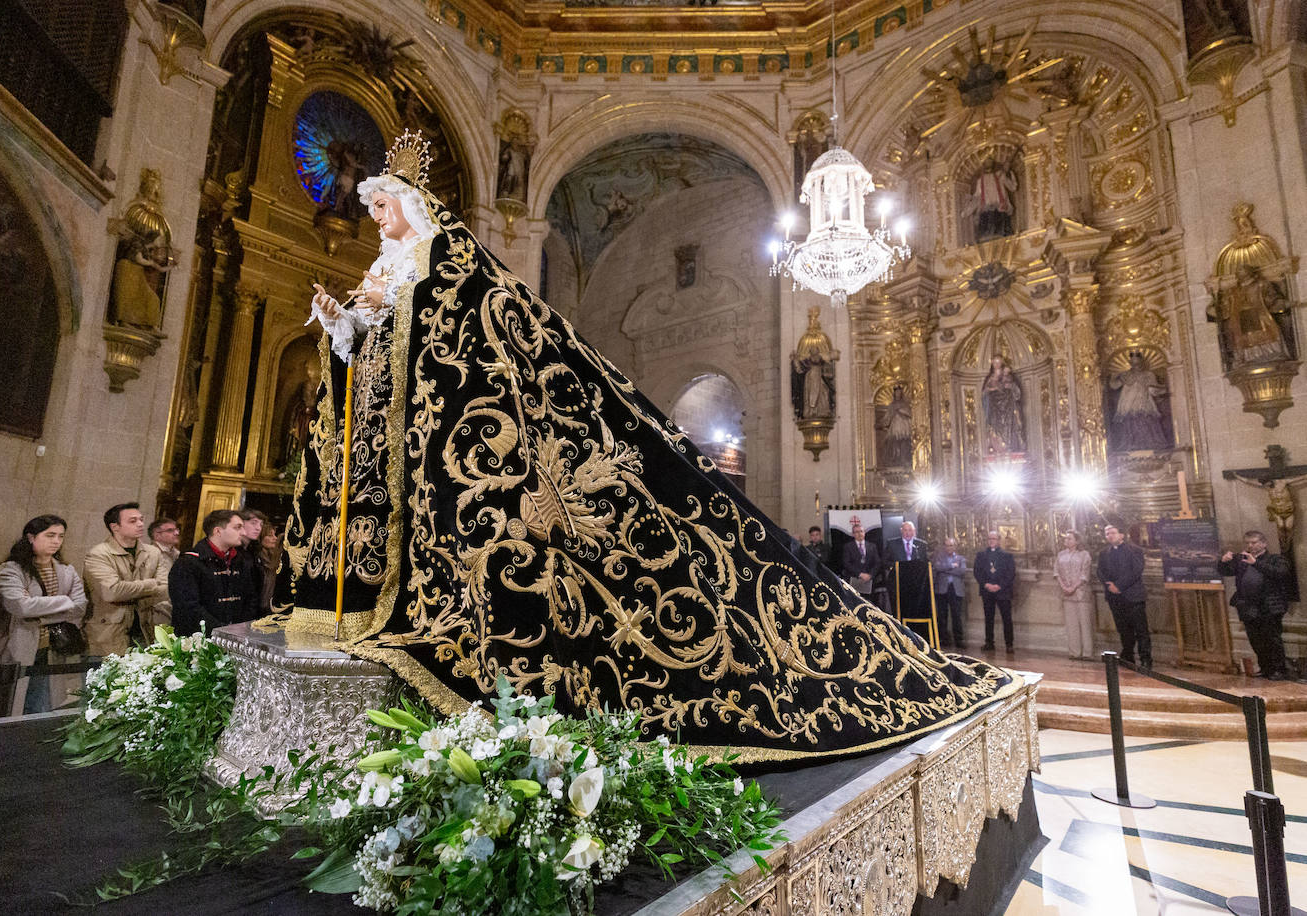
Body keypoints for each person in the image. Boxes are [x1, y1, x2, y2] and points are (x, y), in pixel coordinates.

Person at [271, 131, 1016, 761]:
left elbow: (454, 324)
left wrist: (391, 309)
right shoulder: (385, 268)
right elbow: (381, 346)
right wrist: (346, 322)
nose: (376, 218)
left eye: (383, 206)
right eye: (370, 209)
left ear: (411, 207)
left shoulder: (442, 263)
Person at [0, 515, 88, 713]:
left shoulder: (67, 570)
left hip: (52, 648)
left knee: (42, 708)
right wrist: (63, 602)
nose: (56, 541)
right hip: (18, 646)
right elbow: (21, 606)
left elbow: (79, 607)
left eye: (60, 536)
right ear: (31, 537)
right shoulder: (10, 570)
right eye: (50, 535)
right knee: (9, 707)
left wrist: (38, 612)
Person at [83, 503, 170, 656]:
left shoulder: (153, 553)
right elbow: (111, 592)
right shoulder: (99, 554)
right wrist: (150, 584)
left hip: (144, 633)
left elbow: (166, 589)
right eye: (133, 521)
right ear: (115, 527)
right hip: (108, 636)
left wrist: (129, 591)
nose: (140, 524)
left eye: (141, 519)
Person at [169, 509, 261, 636]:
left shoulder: (242, 561)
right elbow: (188, 607)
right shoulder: (188, 563)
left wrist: (240, 629)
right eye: (237, 527)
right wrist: (222, 631)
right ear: (217, 531)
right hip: (198, 640)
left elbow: (251, 599)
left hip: (236, 639)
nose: (243, 532)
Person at [1219, 531, 1292, 679]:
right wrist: (1223, 561)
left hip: (1269, 606)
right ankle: (1265, 668)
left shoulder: (1275, 559)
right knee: (1256, 640)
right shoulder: (1242, 560)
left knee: (1272, 639)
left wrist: (1256, 563)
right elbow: (1225, 571)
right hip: (1248, 606)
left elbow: (1281, 573)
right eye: (1248, 543)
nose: (1250, 545)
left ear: (1264, 543)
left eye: (1254, 542)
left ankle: (1278, 670)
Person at [1097, 524, 1152, 667]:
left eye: (1113, 533)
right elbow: (1100, 571)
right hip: (1115, 598)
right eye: (1107, 533)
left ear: (1121, 535)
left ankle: (1145, 658)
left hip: (1133, 596)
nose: (1110, 536)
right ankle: (1127, 655)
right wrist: (1109, 585)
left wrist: (1119, 586)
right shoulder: (1104, 553)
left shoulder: (1135, 550)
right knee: (1123, 628)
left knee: (1140, 629)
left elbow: (1136, 570)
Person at [1108, 352, 1170, 452]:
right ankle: (1131, 446)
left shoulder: (1148, 375)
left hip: (1144, 402)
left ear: (1142, 361)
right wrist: (1113, 378)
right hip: (1128, 404)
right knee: (1130, 423)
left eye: (1137, 361)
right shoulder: (1126, 374)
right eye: (1133, 362)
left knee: (1146, 421)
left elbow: (1154, 389)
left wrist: (1164, 389)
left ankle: (1148, 446)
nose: (1135, 364)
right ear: (1129, 362)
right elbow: (1114, 386)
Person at [1053, 530, 1095, 660]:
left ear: (1077, 541)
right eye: (1066, 538)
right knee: (1071, 624)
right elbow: (1056, 572)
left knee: (1085, 623)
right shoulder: (1061, 555)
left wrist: (1073, 587)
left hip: (1081, 593)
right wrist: (1064, 587)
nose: (1067, 541)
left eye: (1070, 538)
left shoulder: (1084, 555)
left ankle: (1087, 652)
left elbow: (1085, 574)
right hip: (1066, 593)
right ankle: (1074, 652)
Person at [974, 531, 1018, 653]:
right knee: (989, 617)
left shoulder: (1007, 555)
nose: (991, 541)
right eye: (989, 538)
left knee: (1006, 618)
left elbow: (1010, 573)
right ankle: (989, 642)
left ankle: (1009, 644)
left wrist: (999, 586)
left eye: (994, 538)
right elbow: (977, 572)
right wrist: (985, 584)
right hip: (987, 590)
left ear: (999, 540)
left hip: (1003, 591)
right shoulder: (981, 555)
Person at [981, 355, 1025, 455]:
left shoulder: (1009, 376)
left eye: (998, 362)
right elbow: (984, 394)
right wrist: (991, 390)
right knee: (995, 427)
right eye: (995, 363)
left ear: (1002, 363)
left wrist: (1009, 386)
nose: (997, 365)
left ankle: (1011, 447)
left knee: (1011, 426)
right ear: (992, 363)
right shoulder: (989, 378)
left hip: (1008, 406)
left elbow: (1017, 394)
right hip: (994, 408)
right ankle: (998, 448)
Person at [932, 538, 968, 650]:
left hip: (955, 589)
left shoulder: (961, 559)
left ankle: (959, 639)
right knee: (942, 616)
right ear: (944, 546)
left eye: (951, 545)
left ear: (955, 547)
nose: (949, 548)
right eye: (947, 545)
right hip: (942, 589)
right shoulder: (939, 557)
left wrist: (945, 569)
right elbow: (937, 567)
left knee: (956, 615)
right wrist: (952, 566)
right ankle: (944, 639)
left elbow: (962, 571)